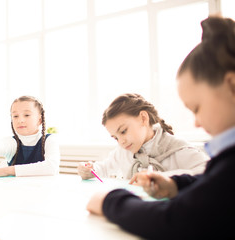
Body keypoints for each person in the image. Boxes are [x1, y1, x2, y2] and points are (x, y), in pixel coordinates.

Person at [86, 16, 235, 239]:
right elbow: (216, 184)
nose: (195, 122)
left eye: (196, 108)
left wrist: (110, 201)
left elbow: (177, 220)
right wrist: (177, 183)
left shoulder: (188, 151)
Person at [78, 93, 208, 180]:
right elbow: (103, 169)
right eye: (115, 138)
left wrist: (166, 178)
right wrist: (90, 170)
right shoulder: (124, 151)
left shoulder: (178, 149)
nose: (121, 142)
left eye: (123, 131)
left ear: (143, 118)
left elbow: (208, 173)